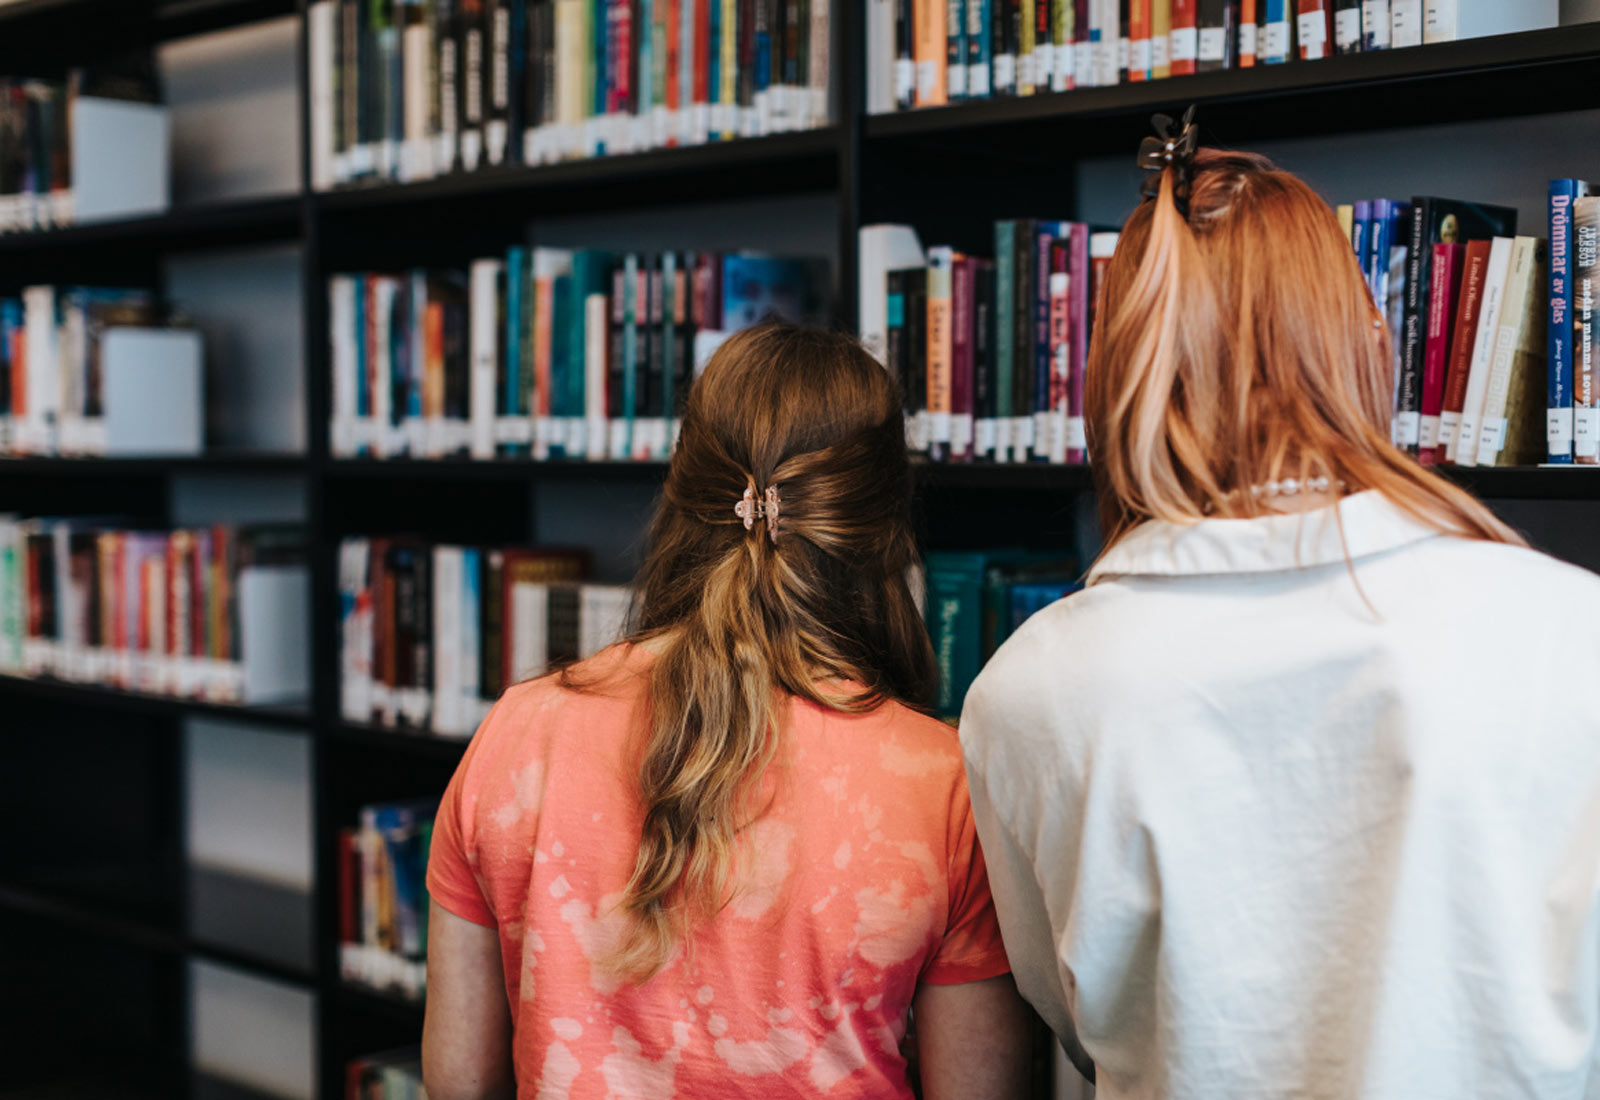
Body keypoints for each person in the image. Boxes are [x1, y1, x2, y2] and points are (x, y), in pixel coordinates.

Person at [960, 117, 1600, 1100]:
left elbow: (1074, 1011)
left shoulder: (1029, 683)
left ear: (1119, 370)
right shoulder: (1566, 629)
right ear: (1368, 345)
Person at [421, 324, 1031, 1100]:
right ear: (882, 528)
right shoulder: (942, 783)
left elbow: (457, 1080)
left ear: (683, 492)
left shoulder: (519, 732)